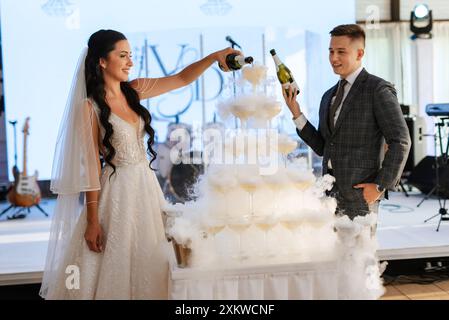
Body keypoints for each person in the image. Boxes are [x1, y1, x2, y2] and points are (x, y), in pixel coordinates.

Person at [40, 29, 240, 299]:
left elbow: (181, 79)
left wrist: (214, 57)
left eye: (131, 56)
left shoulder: (135, 90)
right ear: (102, 61)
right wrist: (91, 221)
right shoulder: (89, 107)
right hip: (116, 193)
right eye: (122, 56)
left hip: (147, 190)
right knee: (116, 263)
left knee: (152, 260)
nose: (130, 62)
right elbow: (91, 167)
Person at [283, 24, 411, 221]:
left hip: (361, 195)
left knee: (360, 251)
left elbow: (401, 140)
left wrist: (379, 186)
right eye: (331, 51)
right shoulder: (328, 96)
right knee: (335, 252)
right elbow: (323, 147)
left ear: (359, 54)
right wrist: (296, 112)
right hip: (329, 193)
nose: (334, 58)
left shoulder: (378, 89)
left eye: (341, 52)